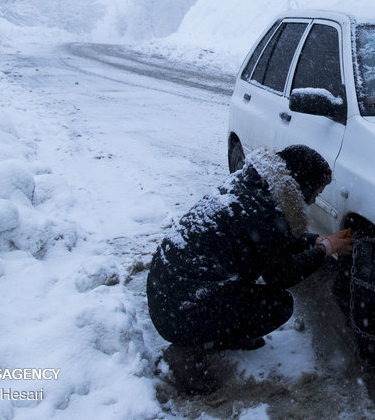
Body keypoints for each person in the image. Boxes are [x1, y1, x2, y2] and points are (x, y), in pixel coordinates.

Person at [146, 144, 353, 393]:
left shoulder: (254, 189)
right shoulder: (265, 212)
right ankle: (185, 351)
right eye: (316, 192)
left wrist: (314, 241)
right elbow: (281, 274)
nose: (314, 200)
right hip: (180, 313)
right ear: (302, 185)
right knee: (279, 305)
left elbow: (271, 240)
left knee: (242, 291)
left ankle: (221, 332)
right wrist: (326, 249)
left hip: (168, 292)